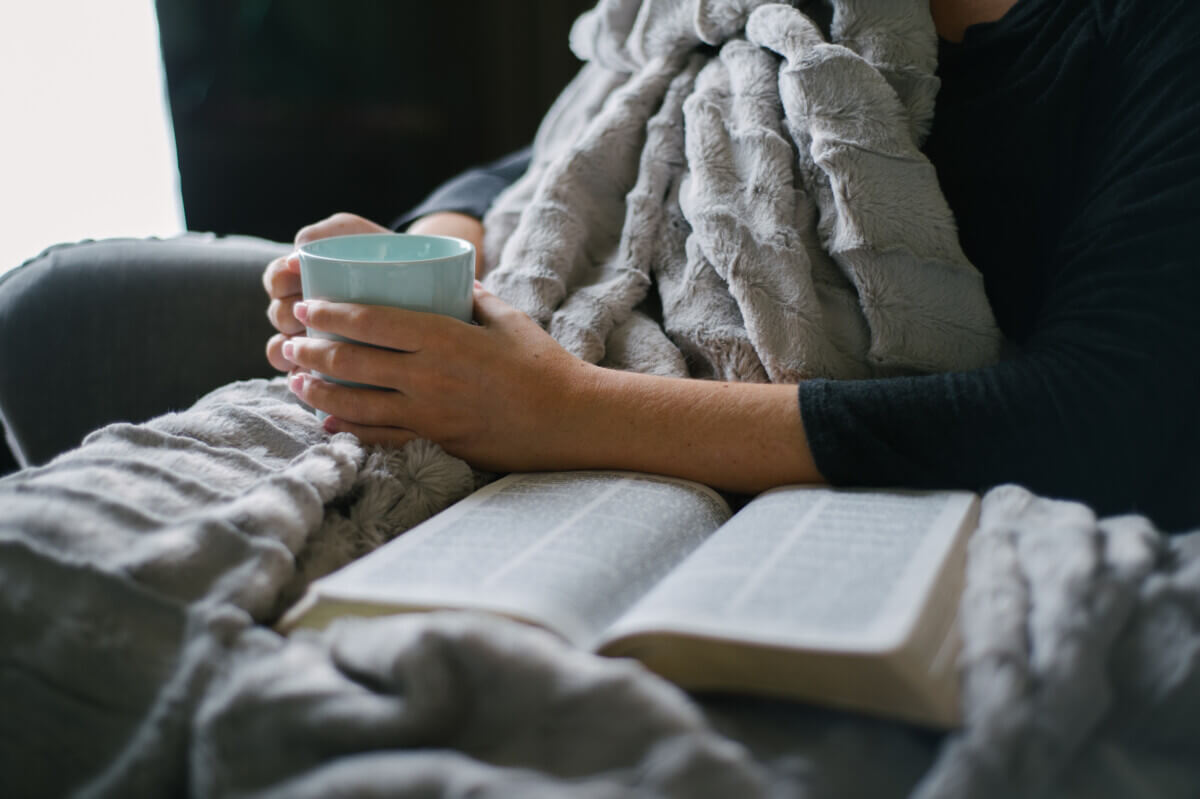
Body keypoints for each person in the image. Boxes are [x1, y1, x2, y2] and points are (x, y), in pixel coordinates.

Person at [3, 0, 1199, 529]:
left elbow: (1105, 417)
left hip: (706, 418)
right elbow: (585, 143)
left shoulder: (1150, 37)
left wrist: (557, 409)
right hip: (547, 327)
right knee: (62, 306)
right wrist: (445, 249)